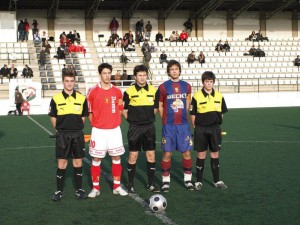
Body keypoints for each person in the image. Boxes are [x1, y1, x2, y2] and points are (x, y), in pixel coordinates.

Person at [87, 63, 128, 198]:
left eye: (109, 73)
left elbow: (121, 108)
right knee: (96, 158)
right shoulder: (92, 91)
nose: (107, 76)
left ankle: (116, 186)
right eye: (104, 73)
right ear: (100, 74)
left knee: (116, 157)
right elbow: (89, 112)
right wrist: (96, 124)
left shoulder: (117, 91)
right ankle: (95, 188)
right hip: (98, 131)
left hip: (114, 130)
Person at [48, 71, 89, 201]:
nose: (69, 83)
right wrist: (60, 130)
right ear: (63, 81)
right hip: (62, 135)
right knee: (62, 162)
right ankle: (59, 191)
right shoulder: (56, 98)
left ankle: (79, 189)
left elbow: (83, 117)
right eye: (67, 81)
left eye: (71, 81)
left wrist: (75, 127)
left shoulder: (82, 98)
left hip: (77, 134)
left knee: (78, 162)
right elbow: (53, 117)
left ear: (74, 81)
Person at [123, 64, 160, 194]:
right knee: (133, 156)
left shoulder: (154, 91)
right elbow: (123, 109)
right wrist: (132, 121)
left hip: (149, 127)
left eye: (144, 75)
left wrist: (148, 119)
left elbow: (155, 109)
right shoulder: (128, 92)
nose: (142, 78)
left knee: (151, 155)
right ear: (135, 77)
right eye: (140, 75)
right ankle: (130, 185)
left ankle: (150, 184)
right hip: (135, 128)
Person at [158, 60, 194, 192]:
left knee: (187, 152)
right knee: (167, 153)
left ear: (180, 70)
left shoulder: (187, 86)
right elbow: (161, 106)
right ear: (168, 71)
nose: (174, 71)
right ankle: (166, 181)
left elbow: (188, 103)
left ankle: (187, 180)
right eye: (171, 69)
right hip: (169, 126)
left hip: (183, 126)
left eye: (176, 69)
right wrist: (166, 120)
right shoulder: (163, 87)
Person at [190, 71, 228, 191]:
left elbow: (222, 113)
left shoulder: (219, 96)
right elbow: (193, 114)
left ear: (213, 82)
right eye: (207, 81)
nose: (209, 83)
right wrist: (196, 127)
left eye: (211, 81)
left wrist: (217, 124)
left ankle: (216, 180)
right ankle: (198, 182)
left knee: (215, 154)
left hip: (215, 129)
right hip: (201, 129)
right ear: (203, 82)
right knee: (201, 154)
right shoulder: (196, 96)